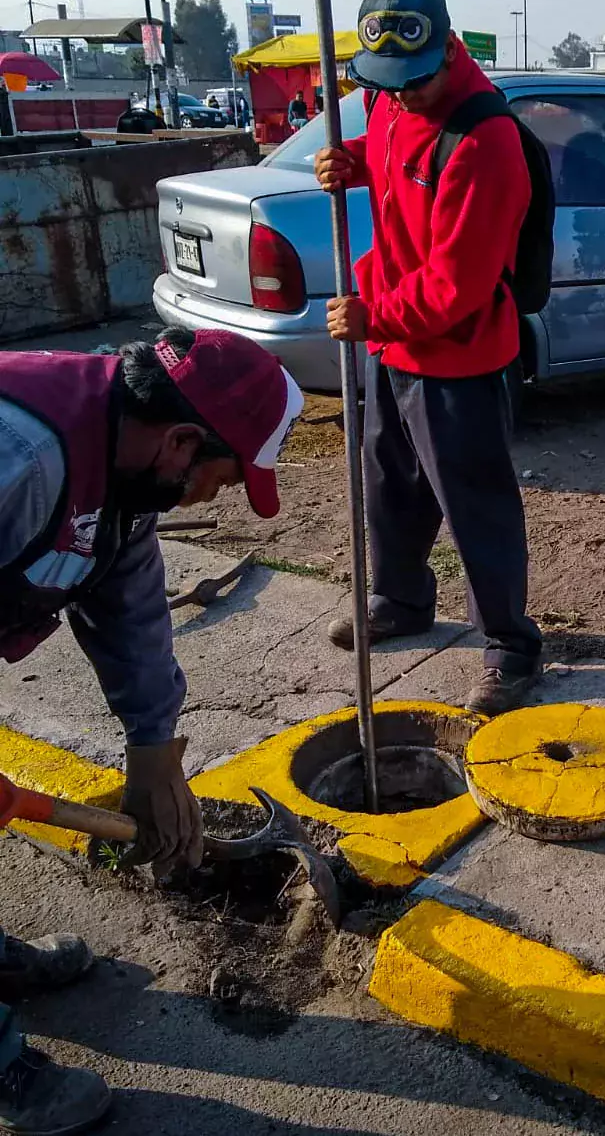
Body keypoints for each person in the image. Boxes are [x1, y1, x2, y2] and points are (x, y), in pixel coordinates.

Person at [0, 327, 303, 1131]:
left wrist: (152, 745)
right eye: (224, 479)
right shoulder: (21, 460)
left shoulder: (125, 474)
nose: (216, 499)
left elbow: (129, 604)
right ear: (182, 441)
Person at [315, 0, 542, 715]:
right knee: (390, 485)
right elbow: (391, 150)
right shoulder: (389, 99)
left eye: (413, 82)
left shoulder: (486, 142)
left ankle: (510, 647)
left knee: (475, 507)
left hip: (460, 358)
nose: (400, 97)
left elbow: (456, 289)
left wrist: (371, 314)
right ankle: (401, 598)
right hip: (394, 348)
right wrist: (349, 158)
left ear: (448, 50)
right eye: (385, 85)